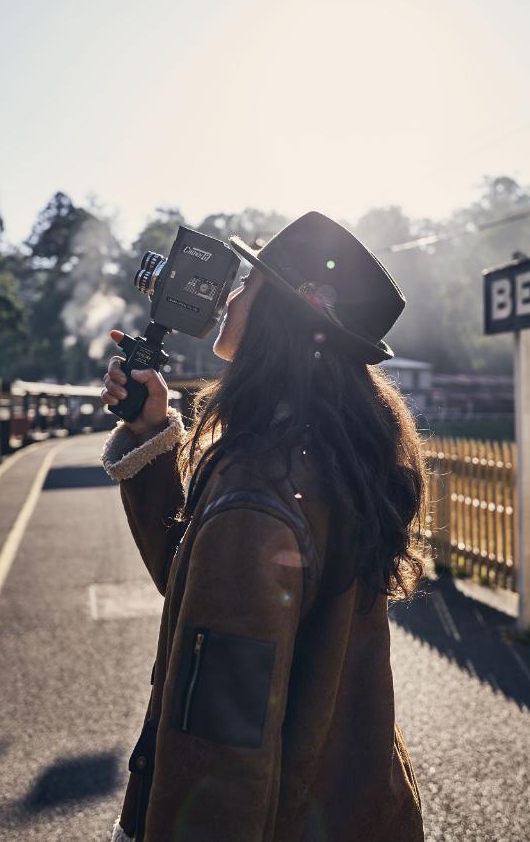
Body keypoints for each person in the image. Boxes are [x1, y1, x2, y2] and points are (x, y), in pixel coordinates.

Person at [100, 212, 426, 842]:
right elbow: (211, 591)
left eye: (250, 283)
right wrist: (150, 436)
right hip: (355, 809)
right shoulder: (328, 451)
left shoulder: (259, 487)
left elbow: (220, 746)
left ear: (279, 312)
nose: (231, 292)